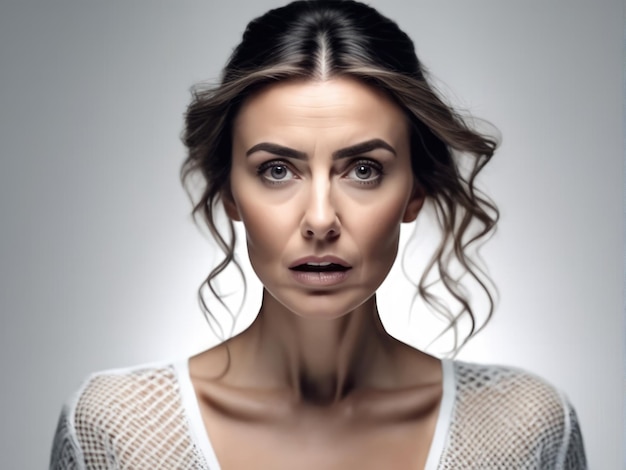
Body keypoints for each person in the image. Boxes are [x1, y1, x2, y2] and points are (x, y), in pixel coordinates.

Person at [49, 1, 587, 468]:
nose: (322, 219)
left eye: (364, 170)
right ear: (230, 192)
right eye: (277, 170)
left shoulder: (528, 428)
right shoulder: (116, 430)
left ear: (415, 191)